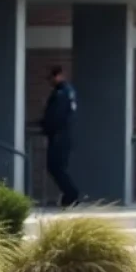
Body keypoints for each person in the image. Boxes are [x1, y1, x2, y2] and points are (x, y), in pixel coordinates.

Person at [41, 65, 80, 208]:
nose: (49, 82)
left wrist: (46, 127)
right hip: (64, 135)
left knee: (55, 166)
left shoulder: (61, 93)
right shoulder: (69, 91)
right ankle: (69, 195)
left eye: (50, 78)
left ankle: (71, 195)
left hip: (59, 135)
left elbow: (55, 116)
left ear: (57, 76)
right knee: (58, 167)